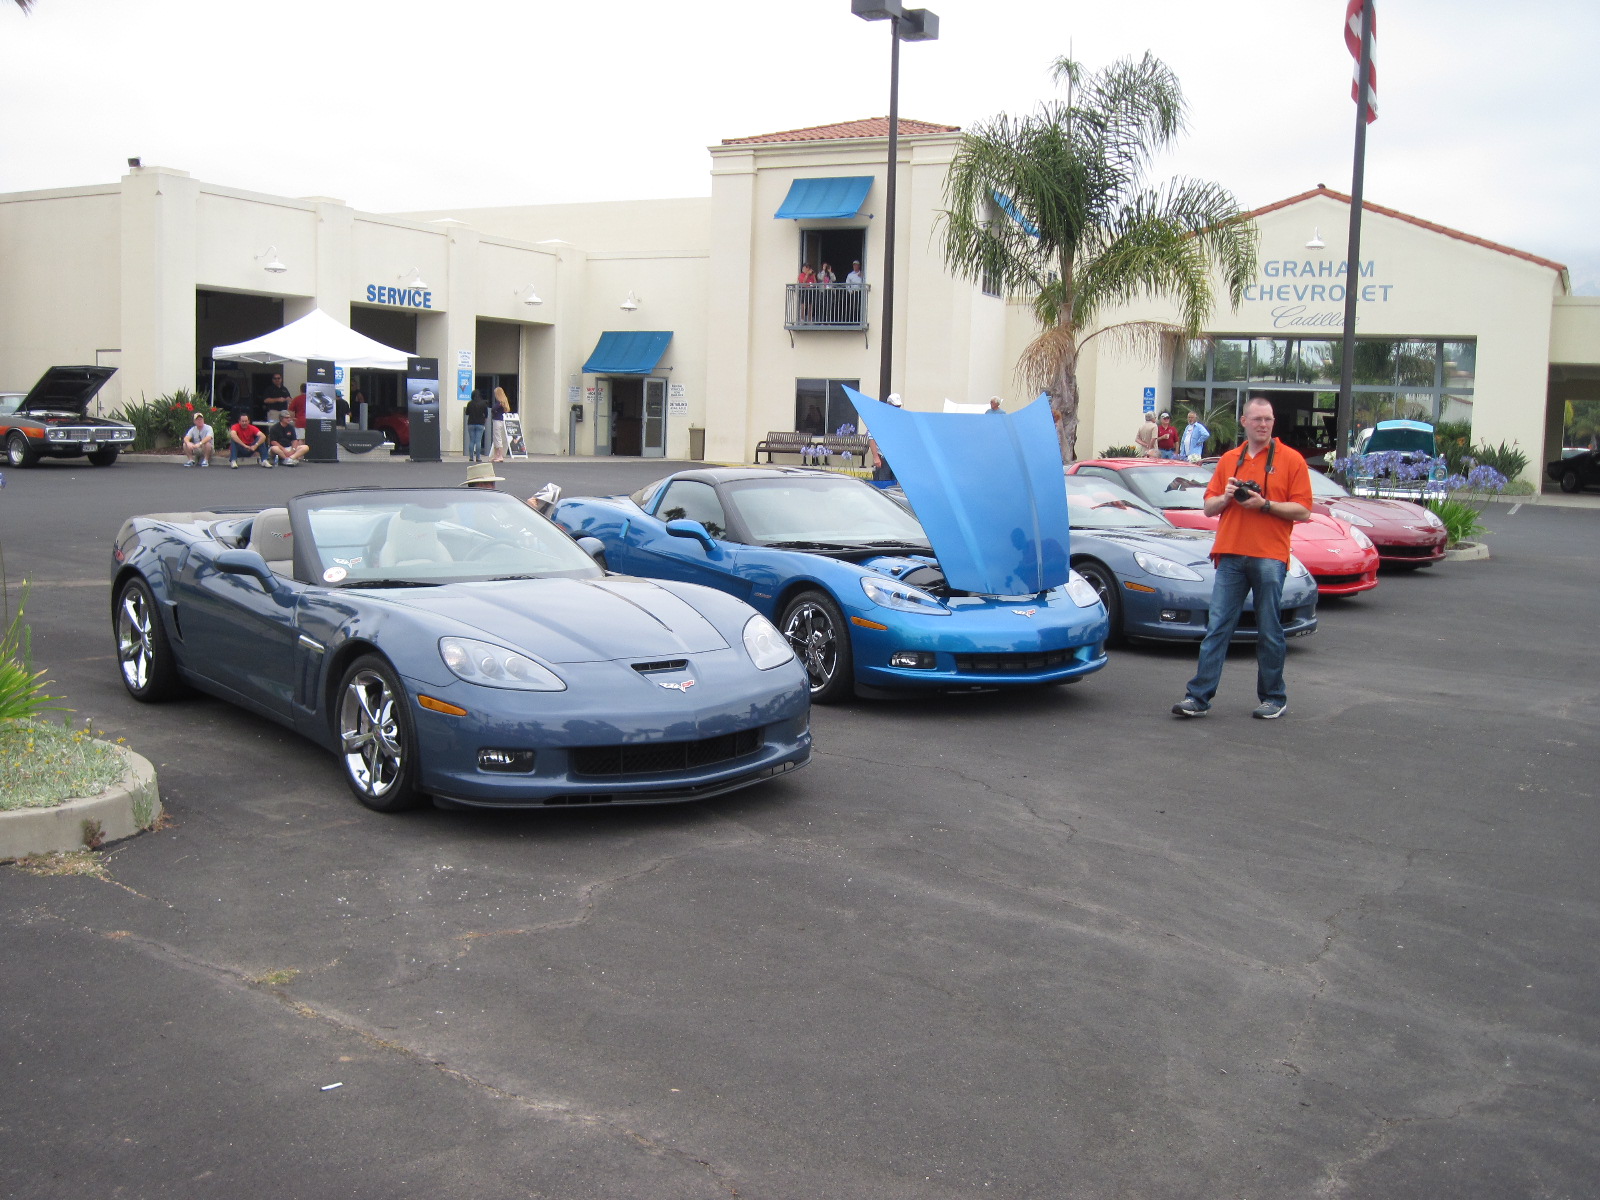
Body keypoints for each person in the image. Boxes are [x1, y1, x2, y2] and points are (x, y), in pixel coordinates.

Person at [1172, 394, 1312, 721]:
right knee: (1218, 627)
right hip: (1231, 554)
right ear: (1244, 422)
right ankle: (1198, 697)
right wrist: (1227, 496)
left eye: (1268, 419)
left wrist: (1265, 505)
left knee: (1269, 629)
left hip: (1269, 555)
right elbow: (1208, 507)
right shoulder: (1229, 460)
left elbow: (1303, 510)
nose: (1263, 424)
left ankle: (1274, 697)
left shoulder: (1291, 460)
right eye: (1257, 419)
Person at [464, 391, 490, 463]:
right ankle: (478, 457)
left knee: (472, 441)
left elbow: (467, 413)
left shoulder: (470, 403)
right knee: (478, 441)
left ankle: (471, 457)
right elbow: (486, 414)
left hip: (471, 423)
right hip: (480, 423)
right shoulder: (483, 404)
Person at [490, 386, 511, 463]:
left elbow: (493, 409)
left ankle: (500, 455)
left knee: (498, 437)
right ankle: (496, 455)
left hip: (497, 421)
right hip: (500, 420)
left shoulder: (499, 403)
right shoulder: (503, 403)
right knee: (496, 438)